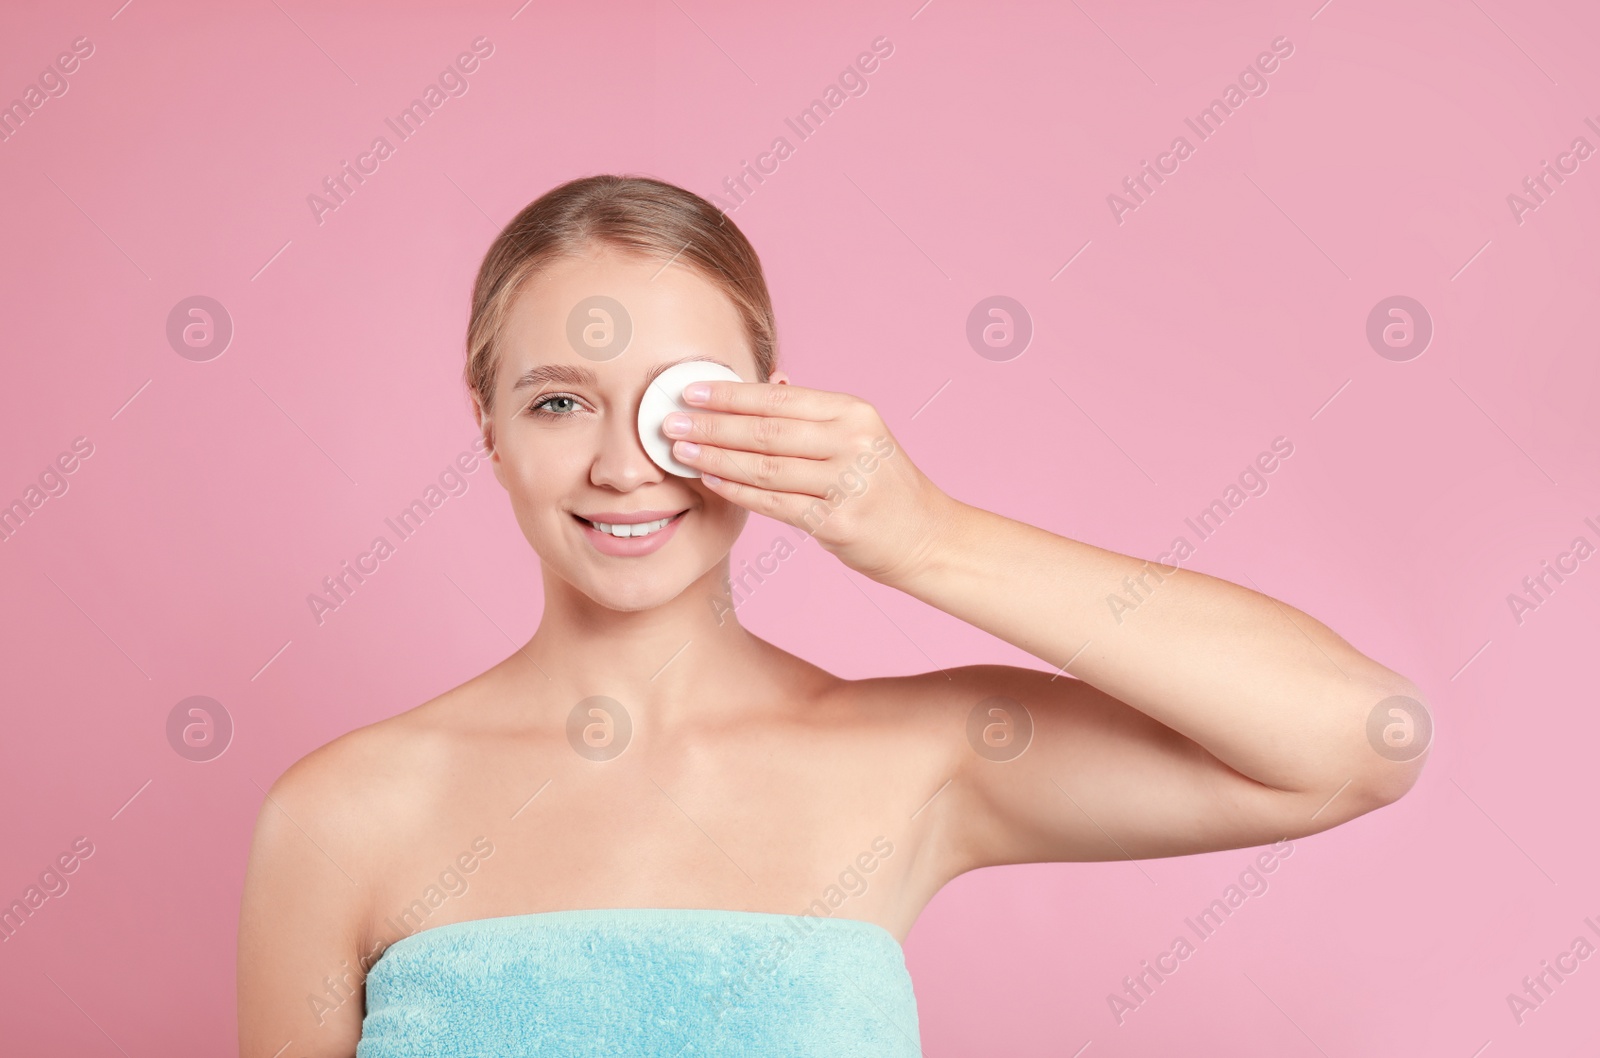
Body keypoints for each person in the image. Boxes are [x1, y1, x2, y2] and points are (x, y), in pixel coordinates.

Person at [236, 174, 1429, 1056]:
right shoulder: (342, 812)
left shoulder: (911, 759)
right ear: (488, 428)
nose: (622, 466)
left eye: (678, 403)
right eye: (557, 401)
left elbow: (1361, 738)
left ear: (774, 413)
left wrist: (921, 533)